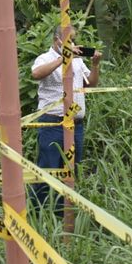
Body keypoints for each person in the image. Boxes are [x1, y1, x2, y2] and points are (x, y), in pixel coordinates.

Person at [30, 25, 102, 209]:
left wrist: (95, 65)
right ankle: (39, 210)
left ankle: (63, 211)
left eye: (74, 40)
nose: (73, 43)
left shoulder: (78, 61)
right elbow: (36, 73)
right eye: (69, 40)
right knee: (48, 167)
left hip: (76, 125)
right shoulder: (45, 58)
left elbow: (90, 83)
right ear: (57, 40)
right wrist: (63, 58)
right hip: (52, 124)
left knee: (71, 169)